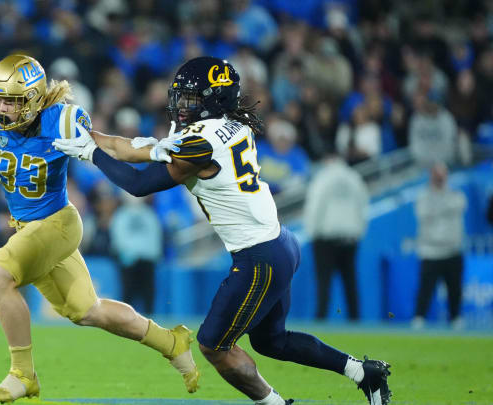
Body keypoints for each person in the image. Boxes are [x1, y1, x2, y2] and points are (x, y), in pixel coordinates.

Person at [54, 56, 392, 405]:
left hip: (258, 256)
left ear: (214, 100)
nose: (182, 105)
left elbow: (139, 185)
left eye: (192, 98)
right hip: (279, 244)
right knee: (271, 342)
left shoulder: (201, 143)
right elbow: (134, 149)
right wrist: (91, 140)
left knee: (213, 345)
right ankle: (363, 373)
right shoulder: (229, 125)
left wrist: (93, 155)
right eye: (181, 96)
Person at [0, 54, 199, 403]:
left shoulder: (59, 121)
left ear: (32, 100)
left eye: (11, 101)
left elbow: (110, 144)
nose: (0, 107)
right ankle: (172, 342)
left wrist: (151, 150)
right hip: (28, 228)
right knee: (88, 311)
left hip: (58, 223)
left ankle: (22, 374)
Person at [303, 153, 369, 321]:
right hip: (350, 236)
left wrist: (312, 231)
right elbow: (364, 205)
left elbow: (315, 206)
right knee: (350, 281)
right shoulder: (354, 177)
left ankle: (321, 318)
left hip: (326, 237)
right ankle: (355, 319)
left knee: (324, 282)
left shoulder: (323, 177)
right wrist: (359, 231)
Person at [412, 163, 467, 329]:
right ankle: (419, 318)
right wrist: (442, 207)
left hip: (452, 249)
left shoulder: (456, 195)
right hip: (431, 250)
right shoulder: (423, 195)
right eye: (437, 175)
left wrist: (438, 207)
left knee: (455, 288)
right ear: (431, 176)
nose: (440, 178)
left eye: (442, 175)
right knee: (426, 288)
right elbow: (423, 213)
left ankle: (456, 318)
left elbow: (459, 205)